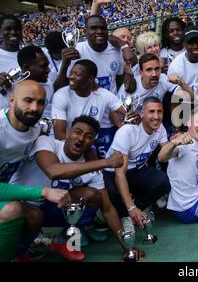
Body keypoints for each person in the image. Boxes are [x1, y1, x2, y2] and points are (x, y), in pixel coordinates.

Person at [10, 115, 145, 262]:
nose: (81, 138)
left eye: (88, 136)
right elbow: (53, 171)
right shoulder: (47, 142)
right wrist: (106, 162)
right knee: (35, 215)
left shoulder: (93, 169)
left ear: (92, 142)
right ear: (68, 133)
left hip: (49, 209)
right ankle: (21, 251)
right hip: (20, 204)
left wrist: (127, 247)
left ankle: (62, 238)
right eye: (77, 132)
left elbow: (107, 209)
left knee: (92, 196)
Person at [0, 80, 70, 261]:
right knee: (12, 209)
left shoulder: (35, 130)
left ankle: (20, 253)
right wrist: (44, 191)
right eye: (28, 100)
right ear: (12, 101)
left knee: (34, 215)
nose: (34, 107)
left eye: (40, 102)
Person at [103, 97, 171, 230]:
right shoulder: (127, 131)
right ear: (142, 114)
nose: (156, 117)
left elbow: (167, 152)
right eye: (151, 112)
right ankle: (126, 214)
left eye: (159, 112)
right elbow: (119, 174)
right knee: (112, 196)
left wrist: (177, 142)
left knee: (162, 181)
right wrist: (130, 206)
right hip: (113, 173)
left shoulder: (160, 128)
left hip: (135, 171)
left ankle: (136, 211)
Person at [51, 59, 135, 158]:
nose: (71, 77)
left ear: (91, 79)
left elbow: (126, 111)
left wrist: (134, 116)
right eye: (71, 73)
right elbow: (59, 136)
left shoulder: (103, 94)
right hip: (63, 146)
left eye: (77, 74)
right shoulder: (61, 95)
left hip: (86, 146)